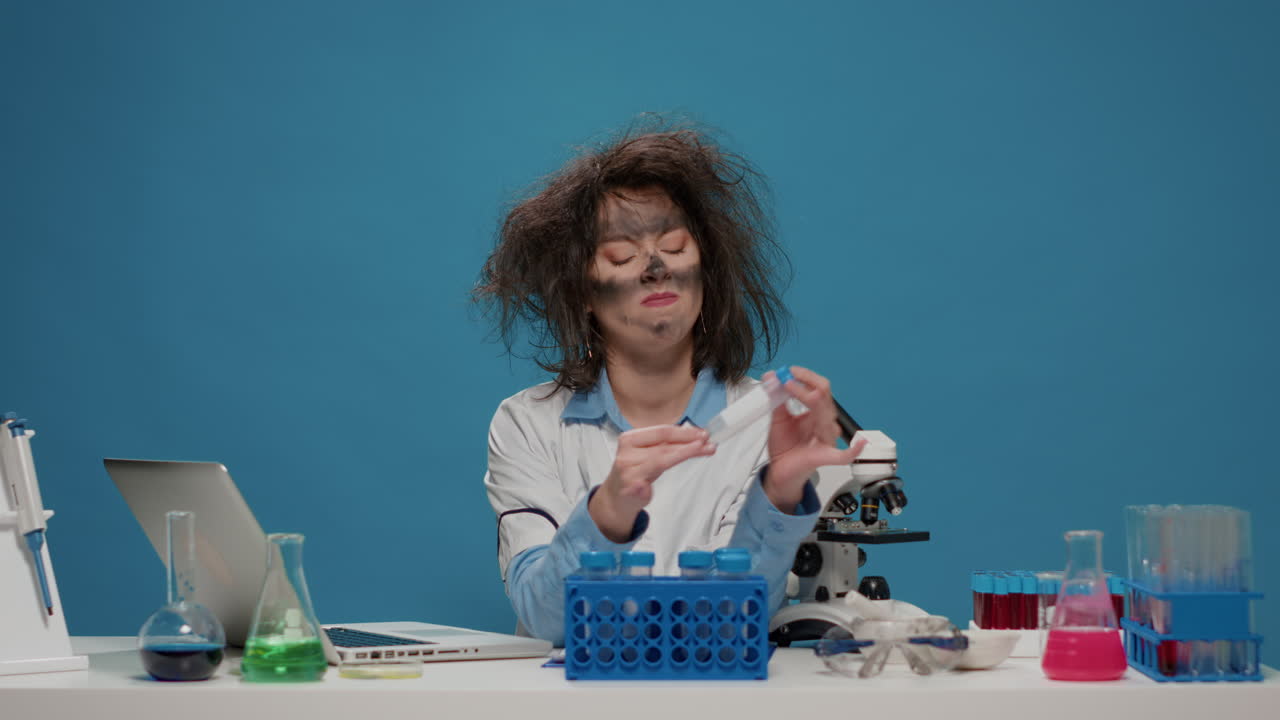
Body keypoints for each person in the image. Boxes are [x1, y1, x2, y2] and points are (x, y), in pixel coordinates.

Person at [473, 120, 865, 645]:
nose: (656, 268)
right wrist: (607, 511)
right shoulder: (528, 423)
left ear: (706, 272)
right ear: (581, 292)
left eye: (675, 246)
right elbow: (547, 619)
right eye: (621, 255)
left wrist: (779, 491)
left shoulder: (760, 419)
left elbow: (735, 620)